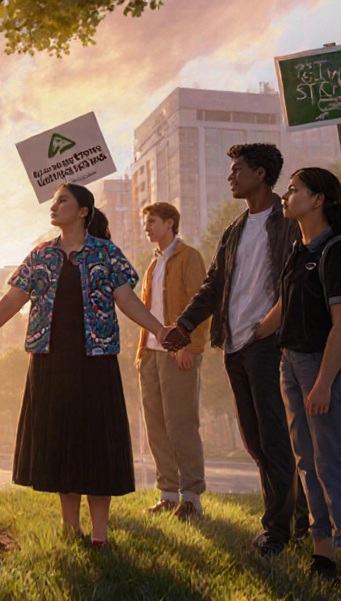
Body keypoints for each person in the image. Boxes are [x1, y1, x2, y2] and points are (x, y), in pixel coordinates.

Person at [0, 184, 169, 549]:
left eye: (63, 201)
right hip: (49, 361)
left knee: (97, 444)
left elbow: (126, 299)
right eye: (54, 200)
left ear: (83, 211)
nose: (54, 206)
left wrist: (159, 329)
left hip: (97, 359)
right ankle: (70, 529)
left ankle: (100, 536)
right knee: (62, 443)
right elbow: (13, 298)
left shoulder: (106, 253)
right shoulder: (41, 255)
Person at [163, 143, 311, 558]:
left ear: (261, 174)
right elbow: (213, 286)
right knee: (255, 441)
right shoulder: (235, 229)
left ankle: (277, 530)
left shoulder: (288, 222)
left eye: (237, 169)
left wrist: (273, 328)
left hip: (269, 343)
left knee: (274, 439)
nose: (231, 176)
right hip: (236, 346)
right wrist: (185, 323)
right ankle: (300, 518)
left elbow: (300, 279)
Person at [254, 168, 341, 598]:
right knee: (307, 461)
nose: (286, 196)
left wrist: (324, 383)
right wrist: (250, 333)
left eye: (294, 190)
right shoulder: (298, 247)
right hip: (292, 362)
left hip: (327, 366)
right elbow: (284, 305)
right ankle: (322, 553)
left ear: (318, 199)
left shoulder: (339, 250)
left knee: (334, 463)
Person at [135, 202, 209, 519]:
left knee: (181, 424)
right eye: (144, 222)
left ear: (170, 223)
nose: (147, 227)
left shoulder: (188, 256)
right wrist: (141, 353)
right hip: (150, 354)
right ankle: (167, 494)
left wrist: (186, 345)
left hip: (178, 352)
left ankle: (191, 497)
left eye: (152, 221)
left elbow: (200, 303)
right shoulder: (153, 264)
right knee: (156, 426)